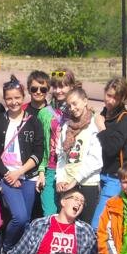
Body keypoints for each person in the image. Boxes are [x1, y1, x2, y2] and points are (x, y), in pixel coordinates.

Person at [0, 75, 44, 253]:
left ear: (23, 97)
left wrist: (19, 172)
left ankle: (19, 253)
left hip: (28, 175)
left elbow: (38, 152)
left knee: (26, 220)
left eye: (17, 98)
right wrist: (7, 174)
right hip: (7, 175)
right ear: (4, 99)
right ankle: (7, 246)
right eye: (9, 99)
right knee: (19, 217)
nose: (13, 102)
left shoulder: (33, 122)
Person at [92, 76, 127, 231]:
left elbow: (111, 148)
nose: (110, 101)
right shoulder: (104, 114)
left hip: (115, 178)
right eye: (108, 95)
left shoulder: (124, 119)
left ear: (122, 99)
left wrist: (101, 127)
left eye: (115, 98)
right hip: (98, 174)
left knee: (98, 225)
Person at [55, 88, 102, 224]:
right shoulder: (67, 127)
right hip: (67, 183)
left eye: (75, 103)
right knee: (66, 223)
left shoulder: (94, 125)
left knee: (84, 225)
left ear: (85, 101)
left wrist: (75, 180)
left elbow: (96, 160)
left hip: (87, 183)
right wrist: (60, 179)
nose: (72, 108)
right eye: (69, 105)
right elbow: (61, 156)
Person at [37, 68, 76, 216]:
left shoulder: (78, 111)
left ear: (71, 86)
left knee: (68, 214)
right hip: (51, 167)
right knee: (50, 213)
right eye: (55, 86)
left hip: (70, 169)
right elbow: (41, 145)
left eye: (62, 86)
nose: (58, 90)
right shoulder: (45, 113)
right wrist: (41, 171)